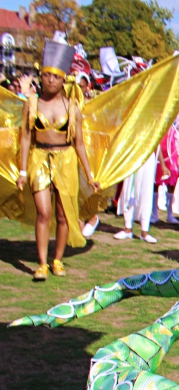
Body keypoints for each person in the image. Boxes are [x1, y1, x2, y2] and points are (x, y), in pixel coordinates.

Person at [16, 41, 100, 281]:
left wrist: (90, 175)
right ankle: (41, 263)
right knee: (43, 212)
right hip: (38, 158)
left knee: (63, 215)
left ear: (64, 79)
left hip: (66, 160)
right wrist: (23, 170)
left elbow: (80, 144)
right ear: (40, 77)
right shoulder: (31, 103)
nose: (50, 80)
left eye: (55, 76)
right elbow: (25, 138)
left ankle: (57, 259)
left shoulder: (73, 107)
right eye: (46, 75)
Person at [154, 97, 179, 225]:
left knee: (171, 184)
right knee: (156, 183)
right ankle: (154, 213)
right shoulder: (160, 114)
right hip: (161, 152)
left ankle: (170, 214)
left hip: (173, 153)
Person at [114, 151, 159, 243]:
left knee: (146, 192)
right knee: (129, 190)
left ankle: (144, 231)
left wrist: (162, 164)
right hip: (134, 154)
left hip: (148, 156)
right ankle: (128, 229)